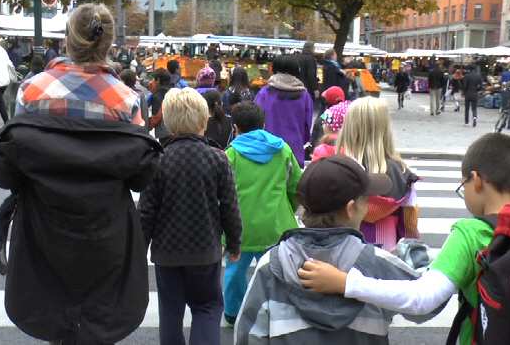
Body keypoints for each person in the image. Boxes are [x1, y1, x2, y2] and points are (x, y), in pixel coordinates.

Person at [0, 3, 156, 345]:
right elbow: (142, 175)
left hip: (43, 226)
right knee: (99, 322)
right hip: (105, 229)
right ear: (109, 44)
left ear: (68, 39)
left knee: (55, 320)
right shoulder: (127, 99)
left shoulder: (31, 91)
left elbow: (10, 167)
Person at [297, 133, 510, 345]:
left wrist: (346, 283)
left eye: (463, 185)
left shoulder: (471, 233)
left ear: (476, 180)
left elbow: (422, 299)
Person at [236, 155, 438, 345]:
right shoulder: (377, 263)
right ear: (351, 209)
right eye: (365, 200)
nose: (368, 206)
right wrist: (411, 254)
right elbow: (427, 304)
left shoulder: (272, 264)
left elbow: (248, 334)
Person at [138, 87, 242, 345]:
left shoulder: (158, 159)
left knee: (170, 312)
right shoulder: (218, 159)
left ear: (168, 121)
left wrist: (140, 248)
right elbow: (229, 206)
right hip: (205, 249)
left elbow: (146, 211)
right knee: (207, 308)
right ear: (203, 120)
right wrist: (234, 242)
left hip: (167, 252)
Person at [222, 101, 302, 326]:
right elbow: (296, 186)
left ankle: (233, 312)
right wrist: (288, 209)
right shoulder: (282, 149)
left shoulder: (231, 155)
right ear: (264, 124)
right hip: (276, 226)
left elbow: (224, 195)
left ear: (235, 127)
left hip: (240, 228)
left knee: (235, 272)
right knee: (277, 271)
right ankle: (276, 308)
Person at [337, 97, 420, 251]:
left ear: (349, 127)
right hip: (387, 246)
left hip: (344, 248)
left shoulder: (338, 168)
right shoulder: (402, 172)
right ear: (385, 129)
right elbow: (410, 222)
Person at [255, 55, 313, 167]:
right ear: (296, 71)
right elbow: (307, 127)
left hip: (267, 153)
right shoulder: (305, 96)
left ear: (274, 69)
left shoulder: (264, 93)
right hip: (294, 154)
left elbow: (256, 122)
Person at [311, 97, 351, 161]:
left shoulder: (321, 151)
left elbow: (319, 122)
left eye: (325, 123)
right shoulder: (353, 151)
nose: (323, 125)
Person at [148, 68, 174, 145]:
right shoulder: (173, 91)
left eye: (153, 79)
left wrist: (147, 127)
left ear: (158, 80)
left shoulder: (158, 95)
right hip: (177, 131)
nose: (151, 82)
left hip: (165, 134)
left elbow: (156, 117)